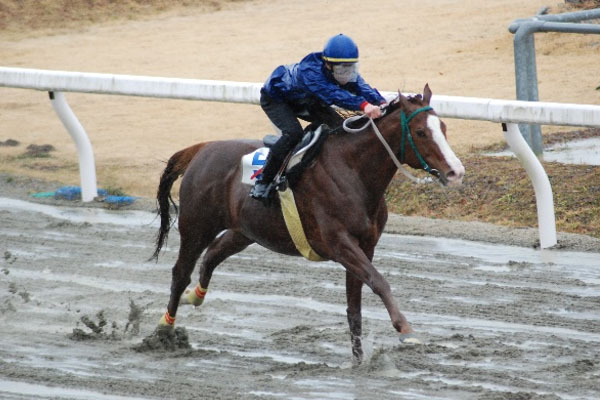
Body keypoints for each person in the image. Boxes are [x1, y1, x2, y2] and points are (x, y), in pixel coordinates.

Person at [250, 33, 386, 202]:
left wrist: (381, 101)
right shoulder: (310, 72)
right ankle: (264, 181)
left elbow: (362, 87)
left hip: (308, 98)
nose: (347, 73)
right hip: (277, 99)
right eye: (342, 69)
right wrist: (364, 105)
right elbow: (334, 94)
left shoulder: (341, 69)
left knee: (340, 127)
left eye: (351, 68)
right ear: (328, 65)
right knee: (293, 134)